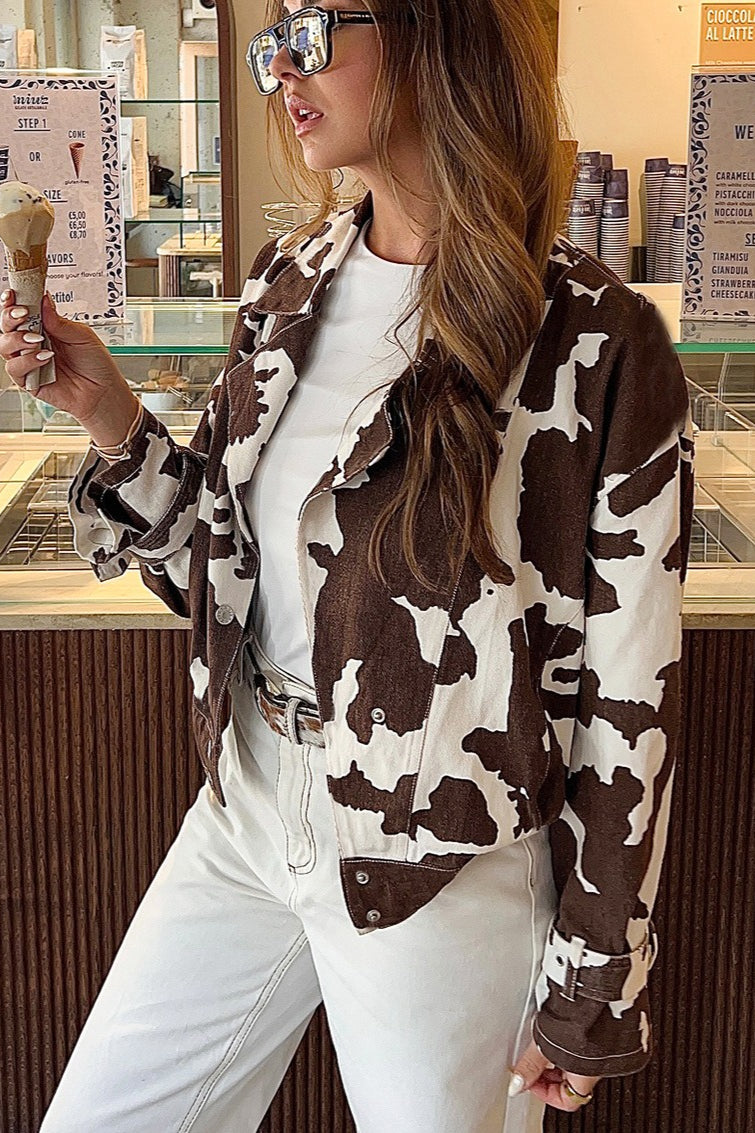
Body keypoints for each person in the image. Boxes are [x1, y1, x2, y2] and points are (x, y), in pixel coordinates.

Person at [0, 0, 695, 1129]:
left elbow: (629, 700)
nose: (280, 65)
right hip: (248, 804)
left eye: (313, 29)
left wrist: (590, 984)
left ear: (434, 32)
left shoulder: (592, 337)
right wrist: (107, 413)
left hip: (440, 862)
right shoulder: (287, 278)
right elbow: (216, 574)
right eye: (271, 38)